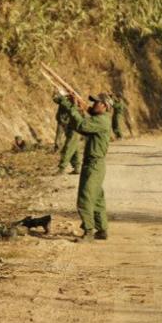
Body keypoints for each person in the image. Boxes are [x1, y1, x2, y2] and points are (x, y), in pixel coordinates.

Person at [58, 93, 112, 241]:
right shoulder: (100, 119)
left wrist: (71, 107)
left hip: (94, 164)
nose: (92, 104)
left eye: (96, 103)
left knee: (85, 199)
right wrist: (77, 106)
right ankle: (102, 229)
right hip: (95, 164)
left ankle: (88, 231)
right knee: (97, 198)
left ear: (104, 106)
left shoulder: (101, 120)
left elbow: (82, 125)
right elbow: (82, 126)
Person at [57, 94, 82, 175]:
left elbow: (68, 107)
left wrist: (63, 97)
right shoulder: (71, 103)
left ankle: (62, 168)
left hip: (74, 129)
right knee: (74, 149)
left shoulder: (74, 105)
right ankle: (77, 167)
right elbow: (56, 100)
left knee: (67, 148)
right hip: (71, 128)